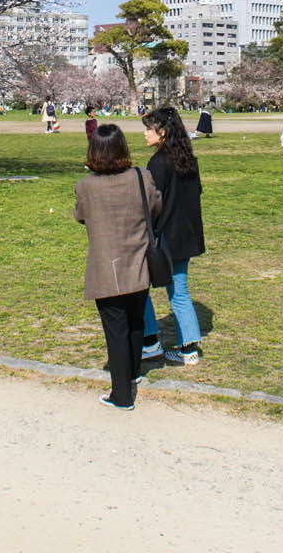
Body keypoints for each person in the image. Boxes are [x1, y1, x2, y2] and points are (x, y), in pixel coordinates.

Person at [74, 123, 159, 410]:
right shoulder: (140, 177)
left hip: (105, 264)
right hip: (137, 262)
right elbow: (155, 207)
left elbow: (80, 215)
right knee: (135, 322)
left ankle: (121, 394)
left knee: (116, 329)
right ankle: (132, 374)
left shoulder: (86, 186)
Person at [138, 107, 207, 366]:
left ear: (163, 132)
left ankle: (149, 341)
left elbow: (151, 202)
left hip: (163, 237)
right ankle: (188, 348)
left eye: (149, 129)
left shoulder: (158, 163)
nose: (145, 134)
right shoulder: (188, 159)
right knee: (179, 292)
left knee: (140, 288)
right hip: (185, 236)